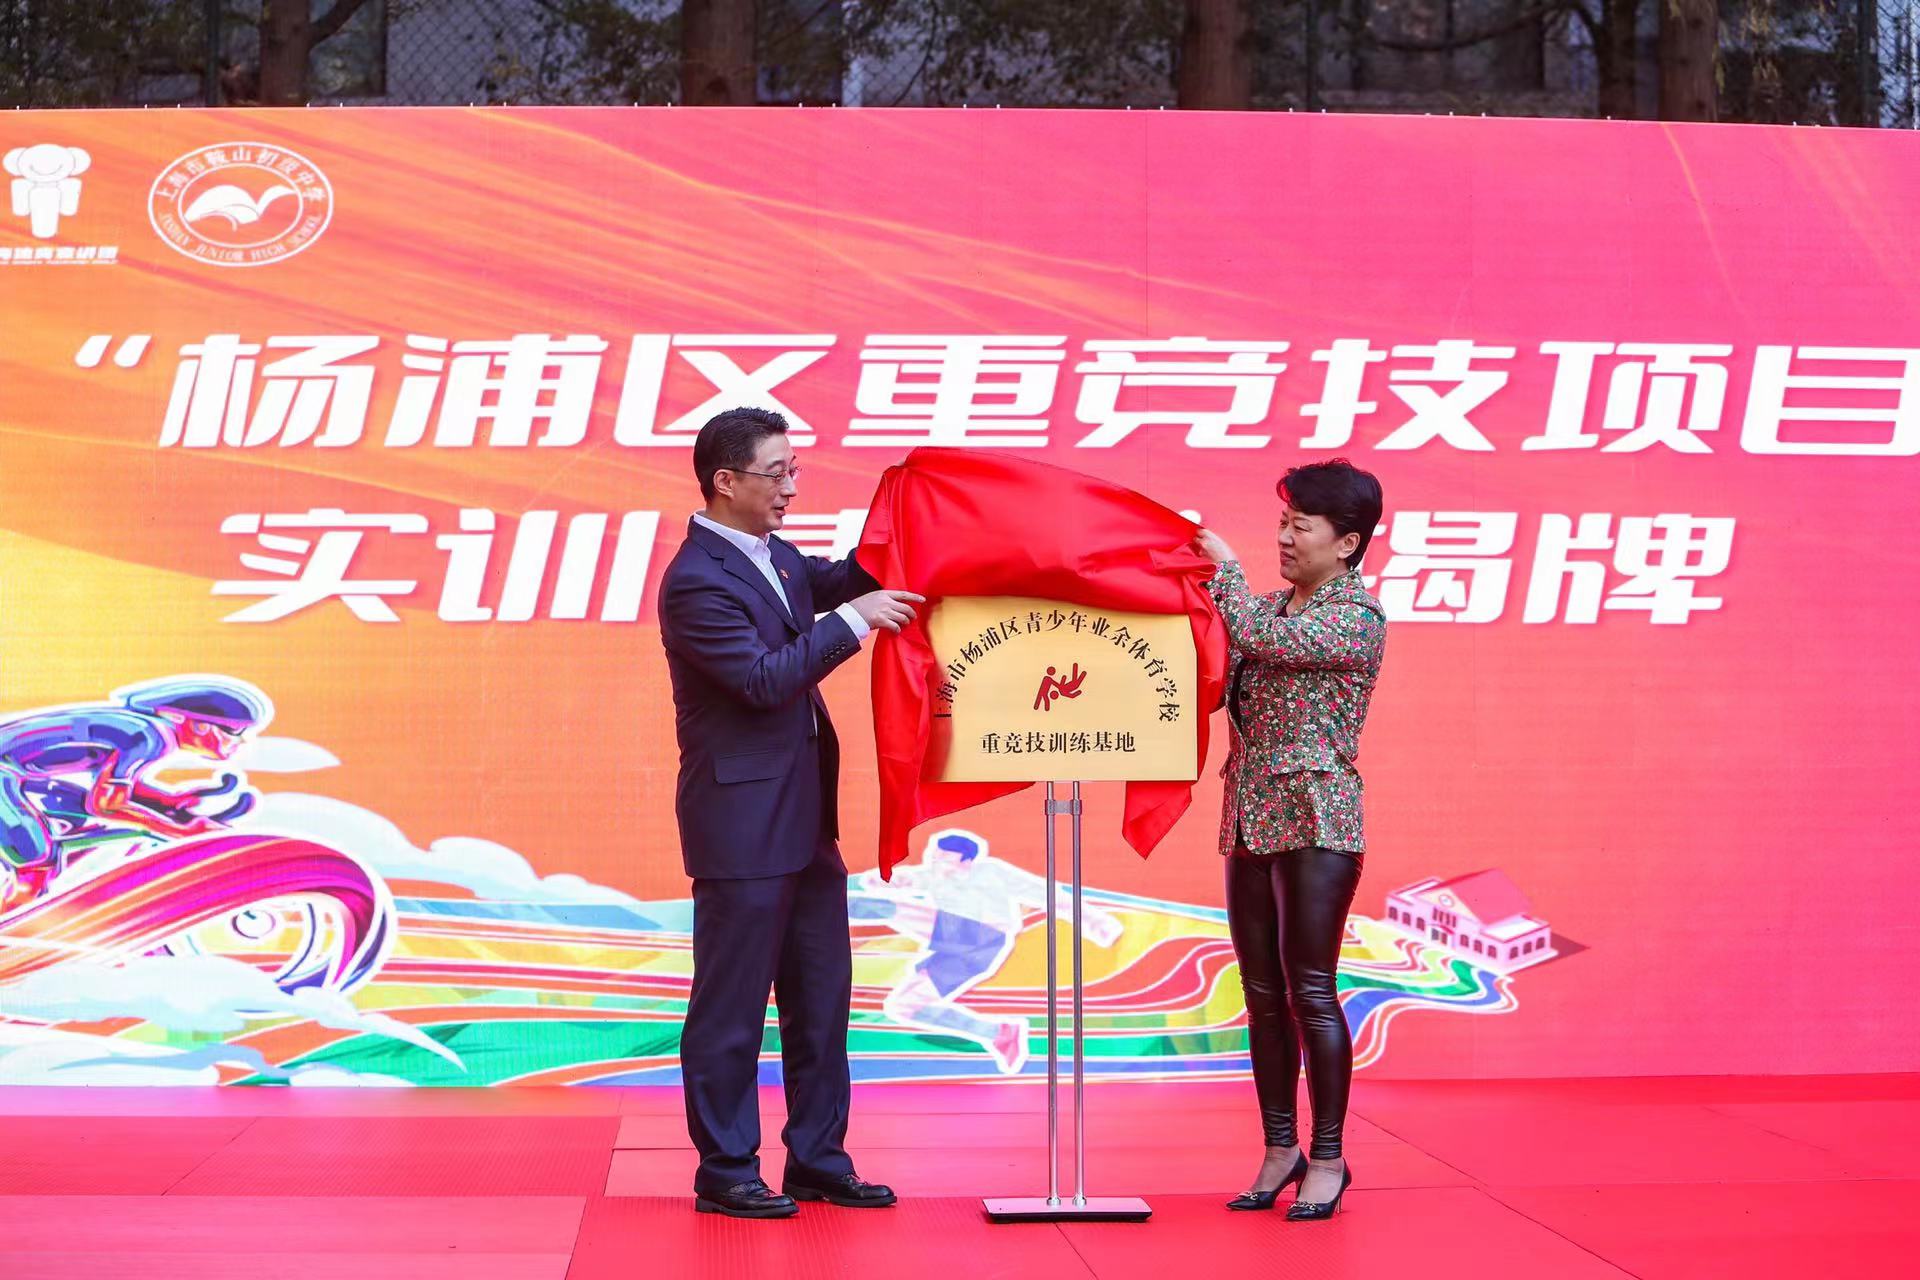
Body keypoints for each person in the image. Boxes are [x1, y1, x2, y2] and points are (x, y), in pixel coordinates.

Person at [658, 405, 923, 1220]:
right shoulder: (697, 579)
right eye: (777, 474)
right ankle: (726, 1169)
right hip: (740, 826)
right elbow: (762, 680)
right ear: (725, 481)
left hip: (806, 822)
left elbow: (846, 577)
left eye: (793, 471)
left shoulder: (773, 556)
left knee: (820, 1003)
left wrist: (916, 515)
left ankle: (818, 1159)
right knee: (732, 1008)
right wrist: (851, 624)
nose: (791, 489)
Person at [1190, 458, 1386, 1221]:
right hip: (1249, 817)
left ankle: (1329, 1157)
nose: (1284, 537)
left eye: (1300, 525)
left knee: (1310, 991)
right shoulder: (1268, 606)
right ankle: (1280, 1148)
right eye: (1282, 522)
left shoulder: (1355, 616)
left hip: (1316, 819)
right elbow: (1221, 669)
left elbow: (1261, 637)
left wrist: (1224, 572)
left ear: (1347, 543)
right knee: (1262, 998)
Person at [853, 827, 1123, 1075]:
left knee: (887, 909)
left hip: (984, 937)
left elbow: (1043, 893)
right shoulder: (933, 876)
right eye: (933, 857)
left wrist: (1095, 922)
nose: (935, 863)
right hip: (965, 954)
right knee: (905, 1005)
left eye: (943, 858)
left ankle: (831, 910)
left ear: (966, 861)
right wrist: (886, 880)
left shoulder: (991, 872)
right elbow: (909, 878)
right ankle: (999, 1033)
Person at [0, 676, 270, 914]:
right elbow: (105, 805)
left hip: (16, 774)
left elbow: (115, 787)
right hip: (6, 774)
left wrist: (167, 802)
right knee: (37, 862)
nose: (243, 740)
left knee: (77, 820)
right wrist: (178, 829)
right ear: (196, 725)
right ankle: (13, 926)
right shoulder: (152, 739)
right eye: (235, 730)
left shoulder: (143, 731)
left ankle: (35, 891)